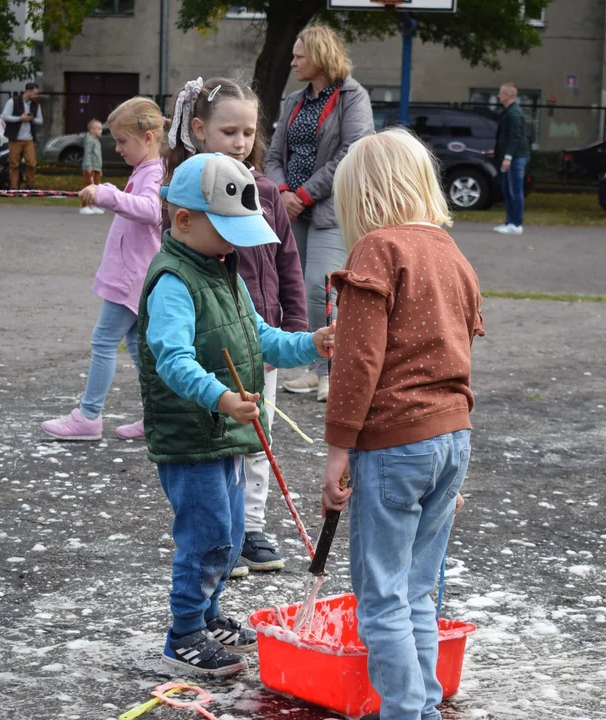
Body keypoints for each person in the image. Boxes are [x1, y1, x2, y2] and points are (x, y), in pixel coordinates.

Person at [141, 152, 334, 677]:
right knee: (206, 537)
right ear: (183, 220)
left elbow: (261, 338)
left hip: (224, 433)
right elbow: (172, 361)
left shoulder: (223, 272)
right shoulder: (173, 283)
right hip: (193, 436)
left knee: (227, 536)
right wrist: (222, 398)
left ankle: (209, 614)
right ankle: (183, 634)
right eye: (227, 232)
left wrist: (309, 344)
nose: (235, 245)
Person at [320, 129, 481, 720]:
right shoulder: (451, 252)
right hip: (451, 437)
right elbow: (460, 353)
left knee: (381, 598)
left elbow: (357, 362)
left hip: (393, 443)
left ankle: (406, 713)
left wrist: (337, 451)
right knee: (417, 591)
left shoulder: (377, 250)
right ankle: (426, 706)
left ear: (361, 198)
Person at [163, 76, 307, 577]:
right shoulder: (190, 196)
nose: (242, 142)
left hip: (260, 338)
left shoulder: (268, 194)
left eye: (249, 132)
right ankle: (219, 534)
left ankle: (249, 529)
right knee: (217, 445)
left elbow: (288, 264)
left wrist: (300, 329)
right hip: (212, 349)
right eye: (230, 131)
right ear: (199, 131)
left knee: (257, 439)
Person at [40, 97, 165, 442]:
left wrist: (105, 195)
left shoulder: (153, 172)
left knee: (104, 340)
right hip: (137, 278)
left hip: (133, 279)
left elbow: (151, 211)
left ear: (150, 137)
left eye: (124, 142)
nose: (119, 149)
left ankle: (89, 415)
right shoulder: (146, 170)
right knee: (139, 346)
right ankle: (158, 417)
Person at [265, 24, 374, 402]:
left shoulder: (352, 96)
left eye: (300, 56)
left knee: (320, 286)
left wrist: (304, 195)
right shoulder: (294, 100)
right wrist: (282, 193)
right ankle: (318, 367)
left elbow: (352, 152)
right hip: (291, 210)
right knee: (295, 289)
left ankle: (334, 372)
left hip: (331, 209)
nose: (293, 62)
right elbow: (274, 154)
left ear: (321, 57)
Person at [492, 83, 530, 235]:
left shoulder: (514, 113)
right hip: (513, 156)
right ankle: (510, 222)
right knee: (508, 190)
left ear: (508, 95)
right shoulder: (510, 112)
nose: (498, 96)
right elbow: (507, 137)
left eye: (501, 93)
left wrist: (508, 157)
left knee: (515, 190)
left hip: (516, 157)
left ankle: (516, 224)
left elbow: (515, 137)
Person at [1, 82, 43, 189]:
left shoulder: (36, 104)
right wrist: (20, 118)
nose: (36, 96)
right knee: (14, 164)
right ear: (28, 92)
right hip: (15, 138)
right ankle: (14, 187)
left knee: (31, 163)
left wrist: (32, 119)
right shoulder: (13, 101)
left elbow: (40, 121)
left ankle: (29, 185)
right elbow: (4, 116)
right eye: (34, 93)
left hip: (29, 139)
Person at [79, 119, 104, 215]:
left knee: (96, 188)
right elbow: (87, 154)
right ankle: (84, 206)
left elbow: (98, 156)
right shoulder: (89, 140)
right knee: (88, 186)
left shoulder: (96, 140)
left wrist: (100, 168)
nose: (101, 131)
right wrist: (88, 166)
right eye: (99, 129)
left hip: (97, 167)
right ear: (92, 130)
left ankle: (94, 205)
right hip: (90, 167)